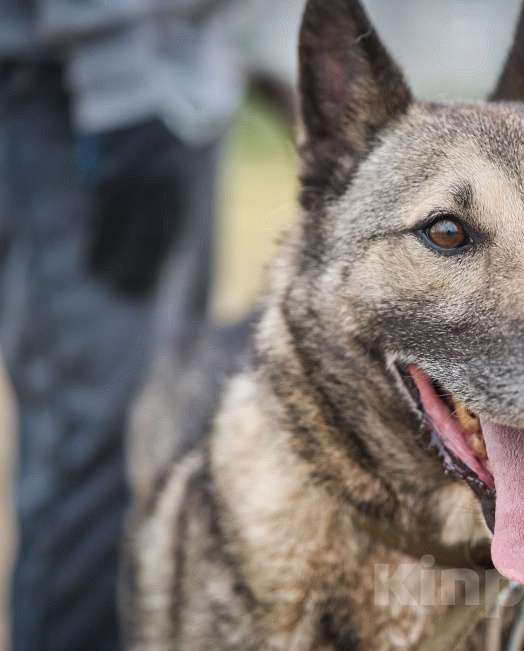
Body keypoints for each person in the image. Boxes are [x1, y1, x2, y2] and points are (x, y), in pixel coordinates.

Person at [0, 1, 247, 649]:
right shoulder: (110, 90)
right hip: (82, 97)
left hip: (175, 77)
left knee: (170, 412)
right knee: (101, 446)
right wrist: (120, 90)